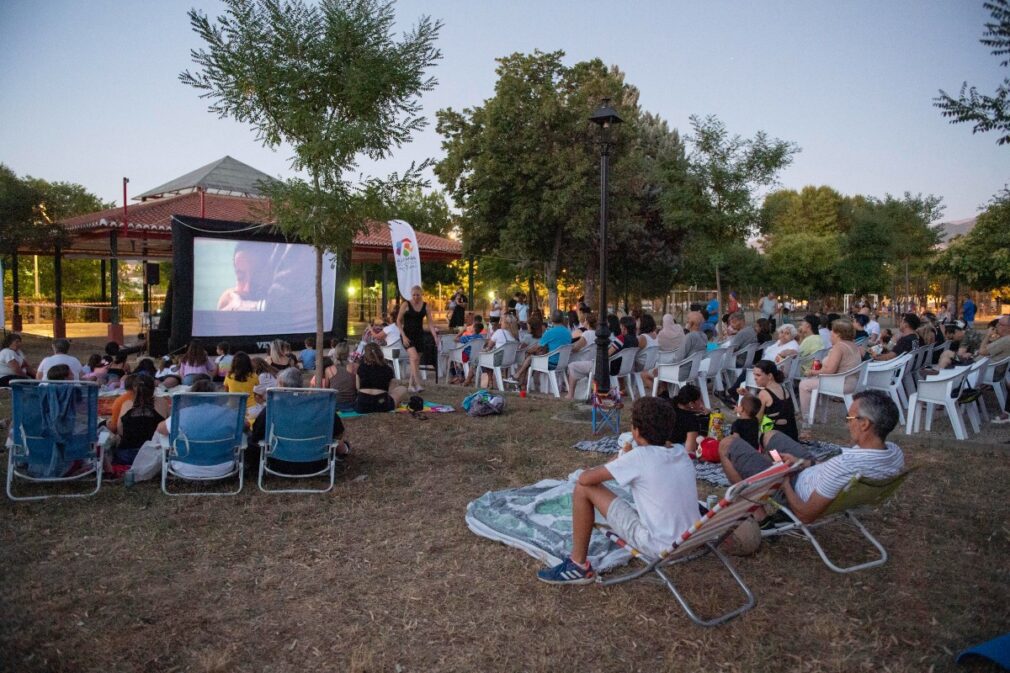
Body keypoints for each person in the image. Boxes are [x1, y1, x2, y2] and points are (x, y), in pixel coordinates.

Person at [536, 397, 697, 584]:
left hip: (658, 545)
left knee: (582, 489)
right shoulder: (680, 452)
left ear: (636, 432)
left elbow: (585, 479)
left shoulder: (640, 457)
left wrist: (618, 460)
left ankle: (577, 565)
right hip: (690, 537)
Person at [719, 390, 905, 525]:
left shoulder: (843, 466)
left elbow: (805, 516)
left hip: (791, 487)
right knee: (770, 436)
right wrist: (805, 463)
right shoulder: (895, 454)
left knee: (727, 444)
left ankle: (759, 516)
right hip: (808, 470)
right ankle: (769, 464)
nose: (847, 424)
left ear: (864, 424)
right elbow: (834, 474)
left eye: (849, 419)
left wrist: (783, 479)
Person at [246, 367, 350, 475]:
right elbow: (339, 433)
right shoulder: (320, 408)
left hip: (279, 463)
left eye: (277, 384)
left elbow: (256, 436)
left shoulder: (271, 410)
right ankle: (343, 450)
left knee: (248, 441)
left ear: (282, 386)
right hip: (316, 463)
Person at [798, 319, 862, 431]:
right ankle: (819, 417)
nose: (830, 333)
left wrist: (812, 372)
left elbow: (830, 370)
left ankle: (806, 418)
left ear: (838, 333)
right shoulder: (853, 345)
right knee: (812, 382)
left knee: (804, 385)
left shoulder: (839, 347)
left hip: (840, 383)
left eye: (832, 331)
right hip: (852, 382)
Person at [565, 315, 634, 400]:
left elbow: (606, 354)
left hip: (607, 367)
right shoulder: (635, 340)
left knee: (572, 365)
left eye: (620, 325)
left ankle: (570, 394)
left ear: (624, 327)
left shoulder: (621, 338)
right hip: (625, 368)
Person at [514, 310, 573, 392]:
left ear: (552, 319)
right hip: (564, 363)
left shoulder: (550, 332)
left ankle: (520, 379)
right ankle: (521, 381)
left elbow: (537, 347)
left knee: (530, 357)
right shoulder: (568, 332)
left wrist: (528, 351)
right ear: (562, 319)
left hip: (551, 363)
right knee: (531, 358)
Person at [112, 375, 164, 468]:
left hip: (126, 455)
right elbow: (168, 427)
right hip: (153, 456)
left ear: (134, 388)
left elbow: (120, 431)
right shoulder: (162, 403)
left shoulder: (126, 404)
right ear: (153, 388)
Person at [397, 285, 440, 393]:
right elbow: (398, 321)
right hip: (407, 335)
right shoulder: (406, 304)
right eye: (414, 295)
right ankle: (418, 384)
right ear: (411, 295)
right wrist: (403, 336)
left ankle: (411, 385)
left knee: (415, 362)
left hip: (419, 335)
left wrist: (435, 336)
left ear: (421, 295)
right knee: (414, 357)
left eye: (418, 295)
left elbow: (430, 323)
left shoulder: (425, 306)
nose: (416, 297)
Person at [743, 359, 798, 441]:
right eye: (754, 375)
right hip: (792, 436)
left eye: (758, 375)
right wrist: (748, 395)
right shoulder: (783, 388)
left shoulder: (764, 393)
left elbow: (757, 420)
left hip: (777, 439)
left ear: (769, 376)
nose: (755, 378)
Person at [466, 313, 520, 387]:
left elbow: (489, 345)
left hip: (498, 360)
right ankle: (490, 381)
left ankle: (469, 380)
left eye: (502, 321)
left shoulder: (499, 332)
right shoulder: (515, 335)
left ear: (506, 323)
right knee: (487, 357)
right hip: (510, 361)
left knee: (478, 358)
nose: (500, 322)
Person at [354, 343, 408, 414]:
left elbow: (358, 387)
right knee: (402, 389)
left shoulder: (361, 368)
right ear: (380, 353)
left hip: (363, 405)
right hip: (382, 404)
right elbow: (390, 391)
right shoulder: (388, 369)